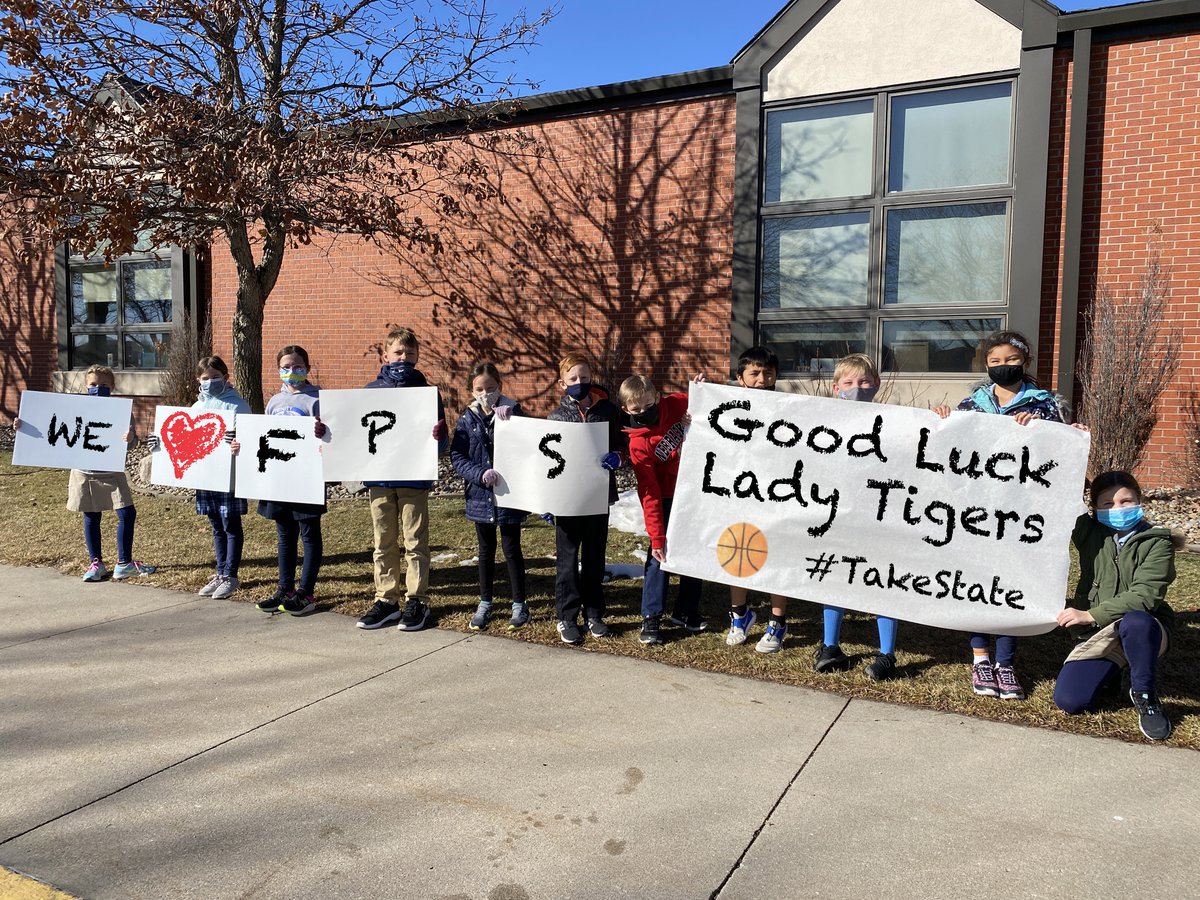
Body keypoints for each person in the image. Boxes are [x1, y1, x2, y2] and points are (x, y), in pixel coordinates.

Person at [933, 330, 1069, 700]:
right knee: (976, 582)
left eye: (1011, 360)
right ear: (986, 365)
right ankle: (980, 658)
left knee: (1010, 583)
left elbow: (1061, 453)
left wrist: (1048, 432)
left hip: (1021, 512)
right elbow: (949, 446)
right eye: (995, 361)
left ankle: (1005, 663)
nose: (1003, 367)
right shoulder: (973, 405)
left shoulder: (1044, 406)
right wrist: (944, 420)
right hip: (977, 513)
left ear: (1024, 361)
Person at [1053, 471, 1179, 741]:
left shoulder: (1158, 542)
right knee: (1071, 700)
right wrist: (1069, 439)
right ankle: (1113, 674)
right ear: (1095, 508)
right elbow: (1061, 490)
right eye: (1107, 504)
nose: (1118, 509)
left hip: (1145, 629)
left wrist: (1090, 614)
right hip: (1100, 631)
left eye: (1126, 501)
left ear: (1139, 500)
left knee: (1136, 620)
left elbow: (1146, 595)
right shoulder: (1089, 533)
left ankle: (1145, 695)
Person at [16, 365, 156, 582]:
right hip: (84, 472)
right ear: (85, 386)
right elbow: (48, 427)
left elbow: (132, 443)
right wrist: (23, 426)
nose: (97, 388)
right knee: (91, 515)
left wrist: (130, 440)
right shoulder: (74, 408)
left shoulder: (120, 412)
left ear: (113, 387)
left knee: (127, 514)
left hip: (111, 471)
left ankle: (124, 563)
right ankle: (96, 563)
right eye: (93, 384)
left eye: (103, 385)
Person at [356, 327, 448, 632]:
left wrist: (437, 437)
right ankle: (386, 599)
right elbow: (358, 433)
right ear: (385, 355)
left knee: (415, 540)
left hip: (413, 478)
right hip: (380, 478)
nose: (404, 358)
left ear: (418, 356)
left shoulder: (428, 393)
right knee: (383, 540)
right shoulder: (370, 392)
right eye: (398, 352)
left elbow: (441, 439)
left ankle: (416, 598)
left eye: (409, 353)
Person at [814, 354, 901, 679]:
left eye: (864, 382)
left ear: (876, 385)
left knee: (883, 579)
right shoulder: (825, 423)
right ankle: (830, 646)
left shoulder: (895, 422)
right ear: (836, 388)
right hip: (838, 514)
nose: (857, 388)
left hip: (880, 515)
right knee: (833, 575)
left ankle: (886, 654)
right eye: (848, 383)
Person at [619, 373, 706, 646]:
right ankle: (651, 616)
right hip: (666, 498)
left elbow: (706, 403)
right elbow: (649, 492)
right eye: (636, 410)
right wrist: (656, 536)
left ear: (657, 397)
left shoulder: (676, 404)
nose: (644, 412)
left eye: (648, 405)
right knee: (660, 555)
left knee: (693, 550)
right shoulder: (637, 443)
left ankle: (686, 611)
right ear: (626, 410)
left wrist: (700, 389)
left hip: (693, 489)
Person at [547, 351, 625, 645]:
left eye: (585, 377)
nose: (580, 382)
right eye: (573, 378)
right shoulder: (556, 417)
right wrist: (548, 499)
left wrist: (618, 456)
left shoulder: (608, 411)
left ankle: (594, 613)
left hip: (597, 496)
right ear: (561, 383)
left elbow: (623, 443)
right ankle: (566, 616)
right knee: (567, 561)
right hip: (568, 500)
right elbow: (548, 461)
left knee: (594, 558)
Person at [157, 356, 250, 599]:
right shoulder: (196, 408)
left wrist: (239, 443)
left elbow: (249, 439)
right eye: (205, 378)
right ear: (198, 380)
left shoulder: (237, 405)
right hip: (206, 477)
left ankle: (231, 574)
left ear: (226, 377)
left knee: (230, 524)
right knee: (215, 525)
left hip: (228, 476)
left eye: (215, 377)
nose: (210, 382)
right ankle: (220, 571)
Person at [450, 362, 529, 631]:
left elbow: (528, 447)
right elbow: (458, 457)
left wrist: (514, 422)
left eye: (491, 388)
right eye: (480, 389)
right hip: (480, 495)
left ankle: (519, 603)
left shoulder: (513, 413)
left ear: (500, 387)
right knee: (485, 551)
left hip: (508, 495)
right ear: (471, 391)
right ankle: (485, 601)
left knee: (511, 548)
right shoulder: (466, 419)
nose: (486, 394)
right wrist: (479, 473)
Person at [725, 346, 791, 651]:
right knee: (738, 551)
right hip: (740, 495)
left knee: (777, 554)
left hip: (779, 496)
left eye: (768, 373)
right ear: (741, 378)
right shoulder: (728, 408)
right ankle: (740, 615)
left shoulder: (789, 408)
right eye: (754, 373)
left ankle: (777, 622)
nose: (762, 379)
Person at [251, 345, 325, 616]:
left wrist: (324, 431)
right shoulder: (274, 402)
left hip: (307, 478)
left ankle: (306, 592)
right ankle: (285, 589)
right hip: (279, 478)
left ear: (307, 367)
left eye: (297, 366)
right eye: (286, 367)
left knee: (309, 534)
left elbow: (332, 436)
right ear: (278, 370)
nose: (291, 372)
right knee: (284, 536)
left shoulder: (317, 399)